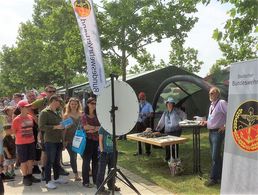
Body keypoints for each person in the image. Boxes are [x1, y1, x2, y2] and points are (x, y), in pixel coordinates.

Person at [38, 95, 68, 189]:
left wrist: (64, 125)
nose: (60, 103)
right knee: (49, 161)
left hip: (58, 139)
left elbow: (60, 124)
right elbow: (41, 127)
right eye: (59, 101)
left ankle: (56, 178)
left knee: (56, 161)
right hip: (50, 140)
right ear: (53, 101)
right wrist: (55, 127)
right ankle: (48, 181)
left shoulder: (58, 112)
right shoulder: (44, 112)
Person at [200, 87, 227, 187]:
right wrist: (206, 122)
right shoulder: (212, 105)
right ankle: (220, 176)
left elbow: (231, 113)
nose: (210, 95)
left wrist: (225, 126)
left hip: (217, 133)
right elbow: (213, 119)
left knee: (215, 156)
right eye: (209, 93)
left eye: (212, 93)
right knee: (216, 156)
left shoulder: (222, 103)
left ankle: (213, 178)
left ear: (217, 94)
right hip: (211, 132)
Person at [12, 100, 40, 186]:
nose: (28, 108)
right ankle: (25, 177)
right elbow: (14, 131)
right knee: (23, 161)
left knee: (30, 160)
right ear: (21, 108)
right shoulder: (16, 119)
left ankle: (30, 175)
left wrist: (33, 116)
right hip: (21, 143)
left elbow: (37, 124)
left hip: (31, 141)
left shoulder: (30, 117)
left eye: (29, 106)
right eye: (26, 107)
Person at [154, 97, 186, 161]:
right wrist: (158, 128)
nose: (169, 105)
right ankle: (168, 157)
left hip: (176, 130)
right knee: (167, 144)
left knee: (174, 144)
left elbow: (184, 115)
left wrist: (182, 123)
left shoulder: (177, 111)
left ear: (173, 104)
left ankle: (175, 158)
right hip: (168, 131)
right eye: (168, 103)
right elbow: (161, 121)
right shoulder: (165, 112)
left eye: (171, 103)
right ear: (166, 104)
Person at [81, 97, 100, 188]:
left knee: (96, 161)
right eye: (92, 103)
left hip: (97, 141)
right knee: (86, 161)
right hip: (87, 141)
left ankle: (96, 180)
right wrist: (96, 128)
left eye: (95, 103)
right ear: (88, 104)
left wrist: (93, 129)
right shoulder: (84, 115)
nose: (94, 105)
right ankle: (85, 181)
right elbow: (85, 127)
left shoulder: (98, 115)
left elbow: (101, 127)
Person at [63, 97, 82, 181]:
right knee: (73, 157)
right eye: (72, 104)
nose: (74, 105)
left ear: (78, 105)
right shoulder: (66, 115)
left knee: (84, 155)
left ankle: (88, 171)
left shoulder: (81, 114)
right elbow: (64, 129)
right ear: (69, 105)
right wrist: (63, 140)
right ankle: (76, 174)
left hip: (81, 139)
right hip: (70, 139)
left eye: (75, 104)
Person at [96, 127, 120, 194]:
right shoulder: (102, 128)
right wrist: (102, 151)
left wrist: (116, 150)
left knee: (112, 170)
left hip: (113, 152)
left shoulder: (114, 127)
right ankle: (100, 189)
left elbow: (115, 140)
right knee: (101, 171)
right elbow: (100, 140)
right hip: (104, 153)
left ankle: (111, 185)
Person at [134, 92, 153, 156]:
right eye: (140, 99)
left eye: (142, 98)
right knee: (138, 136)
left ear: (145, 97)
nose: (141, 100)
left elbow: (152, 114)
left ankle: (148, 152)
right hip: (139, 122)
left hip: (145, 122)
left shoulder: (148, 105)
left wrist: (145, 114)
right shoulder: (138, 105)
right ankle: (139, 151)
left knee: (147, 136)